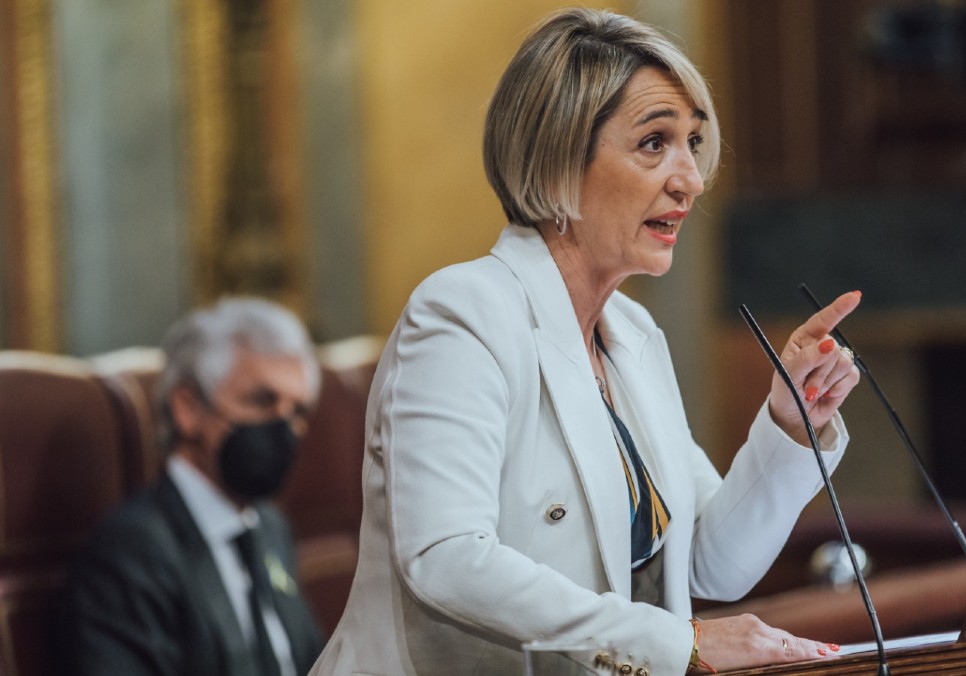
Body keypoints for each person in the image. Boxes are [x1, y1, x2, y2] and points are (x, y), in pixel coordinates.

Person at [312, 8, 861, 676]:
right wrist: (672, 645)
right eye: (654, 143)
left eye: (692, 142)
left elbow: (709, 563)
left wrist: (790, 420)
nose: (690, 178)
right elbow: (446, 556)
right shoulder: (462, 314)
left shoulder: (632, 332)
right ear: (559, 162)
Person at [55, 298, 326, 676]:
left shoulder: (270, 527)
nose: (285, 429)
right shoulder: (132, 552)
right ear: (188, 408)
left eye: (297, 412)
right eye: (262, 401)